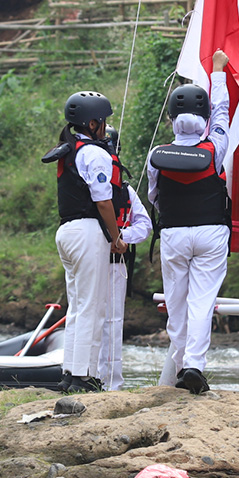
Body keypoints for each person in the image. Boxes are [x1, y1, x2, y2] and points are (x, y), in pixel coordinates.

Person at [147, 50, 231, 395]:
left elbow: (154, 197)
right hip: (212, 232)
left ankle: (182, 365)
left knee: (176, 302)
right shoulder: (216, 146)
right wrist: (218, 72)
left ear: (171, 121)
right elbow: (223, 112)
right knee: (201, 302)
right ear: (205, 117)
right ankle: (195, 365)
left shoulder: (158, 156)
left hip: (173, 234)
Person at [42, 91, 127, 392]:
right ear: (92, 123)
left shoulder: (68, 149)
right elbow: (103, 202)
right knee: (93, 306)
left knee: (77, 306)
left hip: (67, 232)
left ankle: (71, 371)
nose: (105, 127)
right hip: (88, 231)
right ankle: (84, 375)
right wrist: (116, 237)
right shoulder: (95, 153)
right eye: (102, 121)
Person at [96, 127, 152, 391]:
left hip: (116, 264)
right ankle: (85, 375)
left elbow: (145, 224)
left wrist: (122, 237)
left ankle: (111, 383)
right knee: (88, 316)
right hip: (91, 261)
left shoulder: (126, 191)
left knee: (114, 323)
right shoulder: (87, 185)